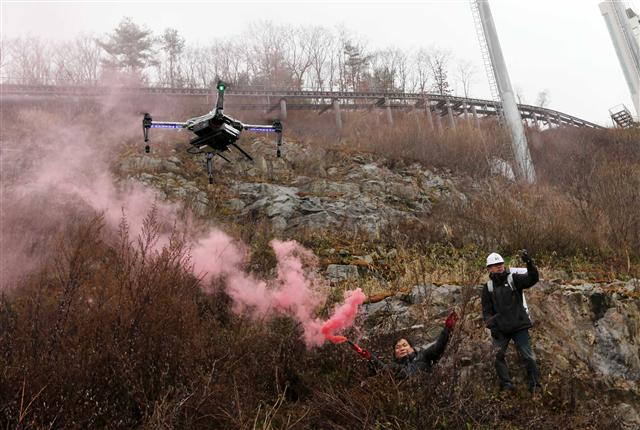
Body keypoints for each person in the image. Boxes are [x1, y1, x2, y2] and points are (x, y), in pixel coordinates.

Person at [481, 250, 541, 394]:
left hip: (519, 325)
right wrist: (492, 326)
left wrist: (529, 263)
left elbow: (532, 279)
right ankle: (507, 386)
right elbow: (487, 311)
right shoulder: (488, 288)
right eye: (495, 265)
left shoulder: (513, 278)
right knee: (496, 356)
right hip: (501, 329)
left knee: (528, 356)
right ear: (489, 268)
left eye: (501, 263)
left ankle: (535, 387)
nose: (499, 266)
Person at [358, 311, 457, 379]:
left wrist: (447, 329)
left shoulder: (423, 356)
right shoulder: (394, 366)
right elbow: (384, 369)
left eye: (405, 345)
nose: (401, 348)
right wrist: (370, 358)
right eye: (398, 347)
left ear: (412, 348)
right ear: (394, 354)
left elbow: (437, 347)